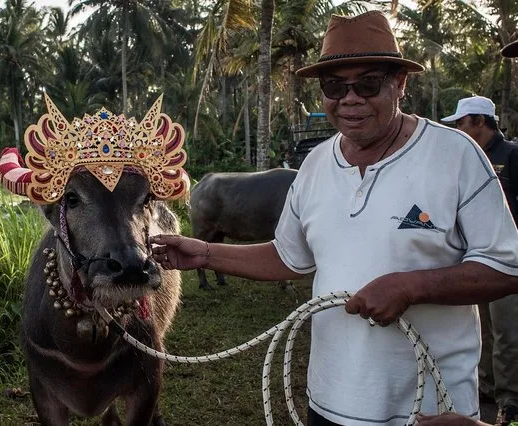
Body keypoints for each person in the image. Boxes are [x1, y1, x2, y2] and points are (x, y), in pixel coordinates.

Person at [150, 10, 518, 426]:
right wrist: (205, 254)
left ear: (400, 84)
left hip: (429, 408)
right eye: (334, 86)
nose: (350, 99)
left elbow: (507, 266)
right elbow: (290, 257)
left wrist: (410, 286)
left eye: (368, 83)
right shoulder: (315, 164)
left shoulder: (456, 155)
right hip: (328, 402)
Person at [441, 96, 518, 426]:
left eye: (461, 123)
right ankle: (485, 387)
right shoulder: (469, 158)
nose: (458, 129)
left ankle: (509, 399)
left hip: (506, 258)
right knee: (481, 326)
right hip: (472, 257)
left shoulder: (512, 155)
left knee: (507, 332)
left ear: (480, 122)